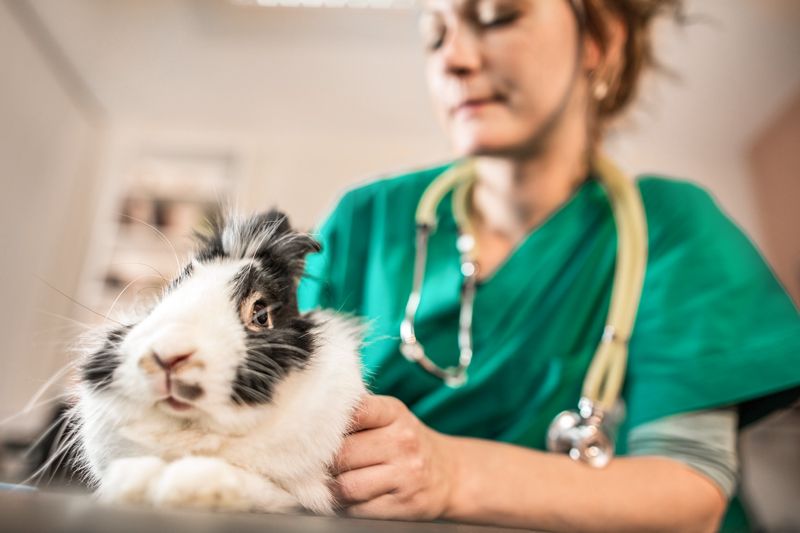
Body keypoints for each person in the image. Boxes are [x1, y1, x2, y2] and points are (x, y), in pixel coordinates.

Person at [297, 0, 800, 531]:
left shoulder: (670, 227)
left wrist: (447, 475)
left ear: (599, 40)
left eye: (497, 17)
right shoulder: (365, 222)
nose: (454, 58)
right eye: (435, 35)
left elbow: (691, 491)